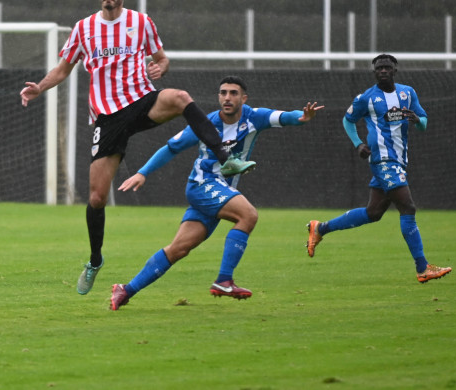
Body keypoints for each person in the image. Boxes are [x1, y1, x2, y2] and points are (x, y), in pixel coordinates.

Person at [20, 0, 256, 295]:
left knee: (181, 98)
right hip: (108, 119)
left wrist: (162, 67)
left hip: (142, 101)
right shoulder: (84, 29)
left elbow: (162, 59)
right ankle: (95, 259)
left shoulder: (141, 23)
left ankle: (225, 158)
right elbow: (63, 68)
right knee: (97, 197)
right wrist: (39, 88)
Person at [109, 76, 322, 310]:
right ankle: (224, 280)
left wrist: (301, 118)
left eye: (233, 93)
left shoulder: (254, 117)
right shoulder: (206, 123)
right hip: (203, 185)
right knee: (248, 215)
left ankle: (126, 290)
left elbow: (283, 117)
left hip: (219, 191)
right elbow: (171, 147)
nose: (227, 98)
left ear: (244, 98)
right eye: (223, 93)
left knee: (178, 249)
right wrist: (143, 173)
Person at [306, 53, 451, 283]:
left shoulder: (407, 93)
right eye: (378, 68)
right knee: (408, 208)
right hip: (383, 161)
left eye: (386, 67)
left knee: (373, 213)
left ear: (395, 70)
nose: (382, 70)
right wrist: (358, 144)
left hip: (399, 159)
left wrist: (417, 120)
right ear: (374, 72)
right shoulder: (367, 98)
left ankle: (320, 228)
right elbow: (347, 120)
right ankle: (422, 268)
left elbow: (424, 123)